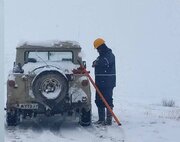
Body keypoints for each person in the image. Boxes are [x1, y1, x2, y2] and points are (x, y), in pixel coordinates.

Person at [92, 38, 116, 125]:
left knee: (108, 100)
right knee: (99, 100)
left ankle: (108, 120)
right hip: (99, 82)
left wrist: (97, 63)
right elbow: (96, 62)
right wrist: (95, 62)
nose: (97, 51)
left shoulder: (110, 55)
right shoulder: (101, 56)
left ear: (102, 47)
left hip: (108, 83)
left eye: (98, 48)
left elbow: (105, 62)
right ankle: (101, 119)